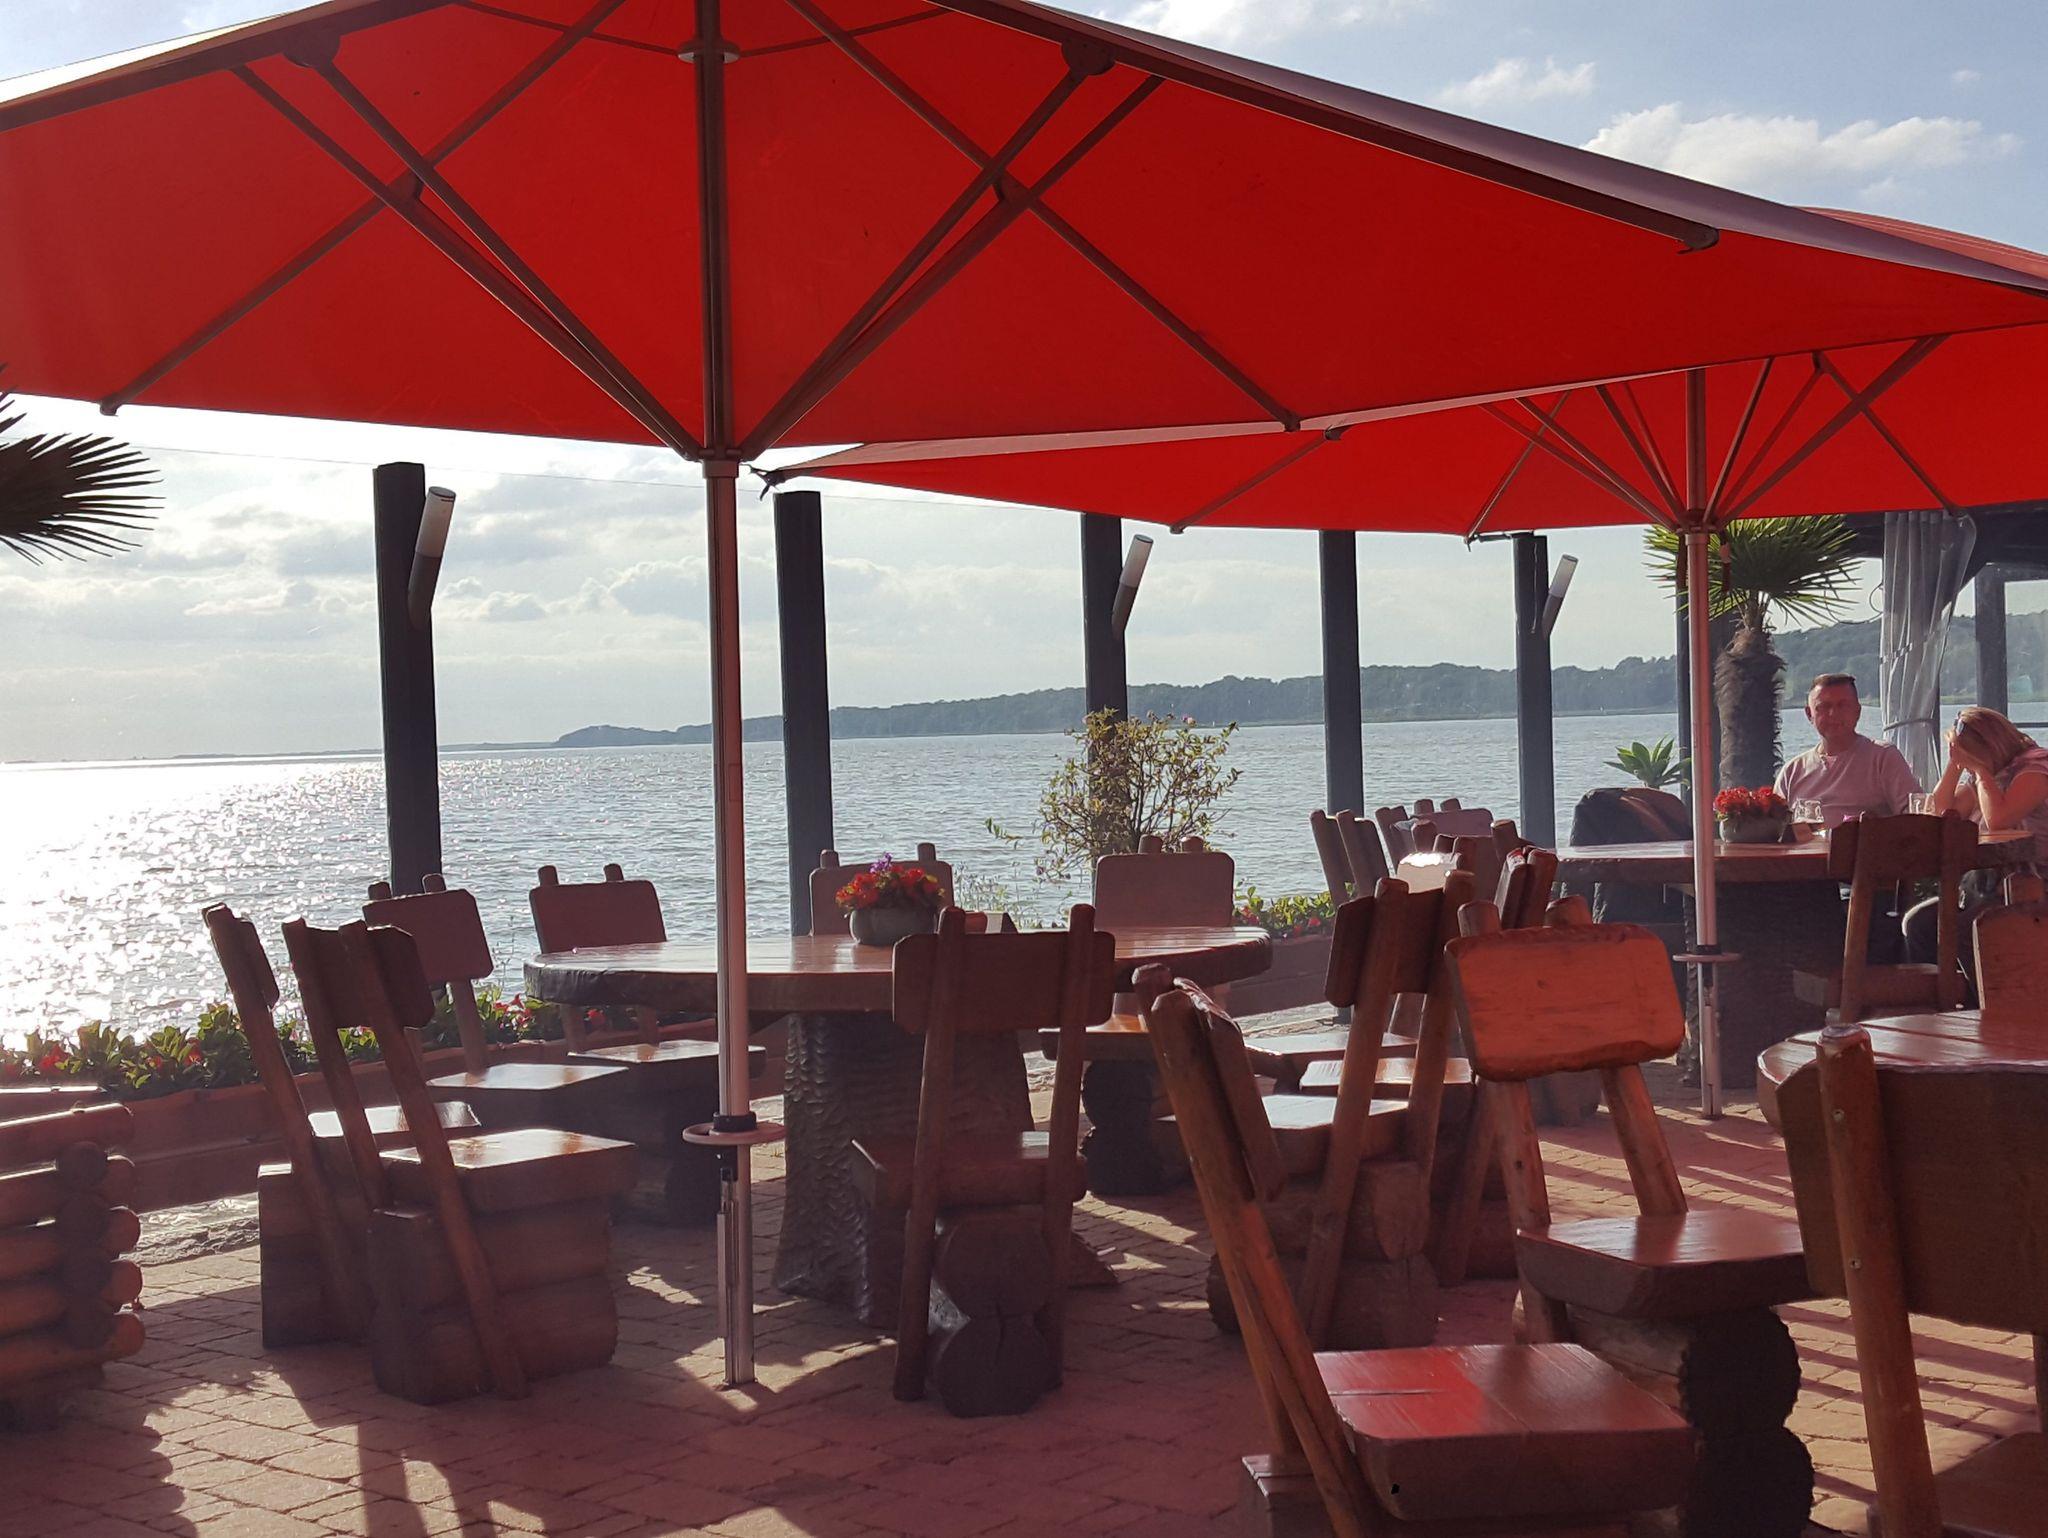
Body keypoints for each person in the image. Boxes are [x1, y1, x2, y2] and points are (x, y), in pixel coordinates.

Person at [1902, 706, 2048, 964]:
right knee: (1919, 923)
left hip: (2034, 882)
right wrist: (1954, 765)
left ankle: (1990, 989)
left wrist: (1980, 771)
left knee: (1966, 930)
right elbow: (1941, 812)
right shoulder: (1989, 776)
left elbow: (1999, 820)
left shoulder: (2035, 766)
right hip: (1987, 885)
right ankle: (1945, 987)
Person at [1773, 674, 1920, 827]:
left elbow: (1917, 818)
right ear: (1809, 714)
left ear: (1857, 711)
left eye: (1843, 705)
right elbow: (1774, 829)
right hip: (1809, 843)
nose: (1833, 714)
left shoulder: (1883, 758)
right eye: (1824, 707)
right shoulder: (1792, 772)